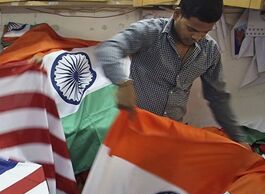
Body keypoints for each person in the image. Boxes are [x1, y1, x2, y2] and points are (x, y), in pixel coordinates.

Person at [96, 0, 245, 142]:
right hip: (135, 128)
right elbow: (110, 48)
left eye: (205, 32)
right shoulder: (150, 32)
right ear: (177, 14)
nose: (197, 37)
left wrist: (238, 138)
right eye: (191, 29)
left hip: (171, 132)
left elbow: (218, 98)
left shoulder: (210, 50)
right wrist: (123, 83)